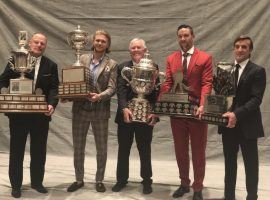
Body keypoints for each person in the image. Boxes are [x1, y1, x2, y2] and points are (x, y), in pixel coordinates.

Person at [0, 33, 59, 198]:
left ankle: (37, 182)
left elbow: (54, 88)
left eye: (42, 43)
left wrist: (51, 104)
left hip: (41, 115)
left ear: (45, 46)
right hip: (18, 115)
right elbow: (2, 81)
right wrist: (6, 96)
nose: (39, 45)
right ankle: (16, 185)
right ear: (30, 43)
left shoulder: (51, 65)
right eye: (36, 42)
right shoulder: (17, 60)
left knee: (39, 150)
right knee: (17, 150)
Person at [160, 24, 213, 200]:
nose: (183, 39)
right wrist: (159, 106)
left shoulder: (205, 58)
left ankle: (197, 187)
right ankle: (184, 183)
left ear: (193, 36)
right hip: (177, 112)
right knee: (180, 151)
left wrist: (203, 104)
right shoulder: (171, 59)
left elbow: (207, 83)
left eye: (186, 36)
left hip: (197, 110)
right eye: (180, 36)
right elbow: (168, 83)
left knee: (198, 151)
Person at [66, 29, 117, 193]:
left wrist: (100, 96)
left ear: (107, 44)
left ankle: (99, 180)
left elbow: (112, 88)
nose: (100, 43)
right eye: (97, 40)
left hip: (100, 110)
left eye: (103, 41)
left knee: (101, 148)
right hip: (80, 109)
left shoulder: (112, 64)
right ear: (93, 42)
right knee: (78, 146)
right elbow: (74, 81)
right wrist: (68, 93)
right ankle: (79, 179)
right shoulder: (81, 58)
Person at [218, 35, 266, 200]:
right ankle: (228, 196)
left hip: (248, 125)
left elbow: (256, 100)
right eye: (237, 46)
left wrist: (236, 114)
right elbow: (222, 96)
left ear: (250, 50)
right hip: (228, 126)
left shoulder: (258, 71)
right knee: (229, 164)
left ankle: (252, 196)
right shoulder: (226, 70)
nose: (240, 49)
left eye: (244, 47)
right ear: (234, 48)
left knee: (251, 165)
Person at [112, 38, 159, 195]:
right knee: (123, 149)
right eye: (133, 47)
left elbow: (156, 92)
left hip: (146, 114)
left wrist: (155, 112)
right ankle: (121, 180)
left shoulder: (153, 67)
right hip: (126, 115)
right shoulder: (122, 67)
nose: (136, 49)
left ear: (145, 50)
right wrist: (124, 108)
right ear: (129, 50)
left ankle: (147, 181)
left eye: (139, 47)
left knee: (145, 149)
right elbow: (120, 90)